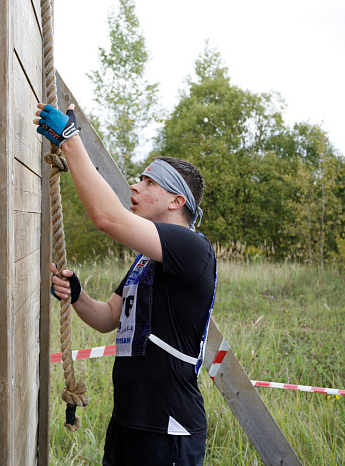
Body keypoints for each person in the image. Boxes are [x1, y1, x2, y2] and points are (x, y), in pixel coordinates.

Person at [35, 103, 217, 465]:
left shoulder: (192, 247)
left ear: (176, 200)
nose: (135, 186)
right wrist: (77, 295)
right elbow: (107, 318)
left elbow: (107, 218)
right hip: (130, 421)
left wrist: (71, 141)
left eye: (149, 183)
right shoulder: (146, 259)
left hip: (169, 431)